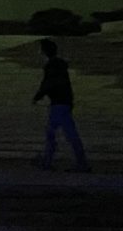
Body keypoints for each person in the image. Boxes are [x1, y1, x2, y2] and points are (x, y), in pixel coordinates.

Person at [32, 38, 90, 172]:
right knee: (57, 133)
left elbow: (48, 83)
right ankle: (49, 161)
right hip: (64, 102)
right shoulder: (59, 65)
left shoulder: (51, 66)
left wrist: (38, 96)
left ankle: (51, 162)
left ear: (44, 51)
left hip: (58, 104)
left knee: (60, 134)